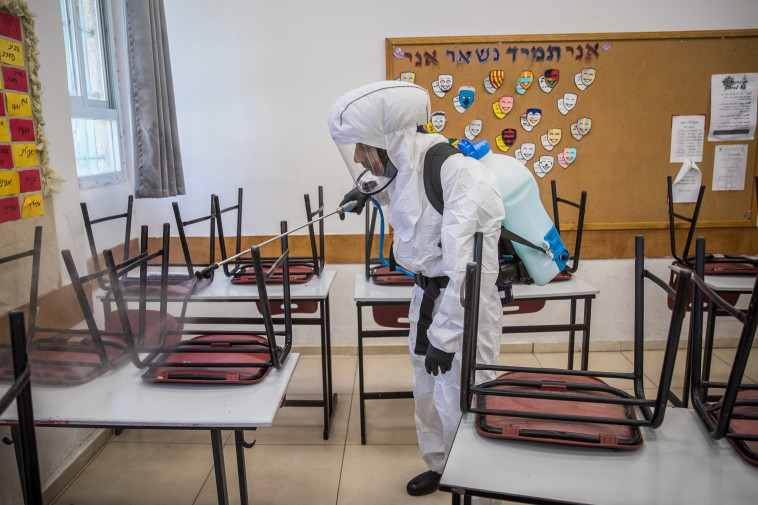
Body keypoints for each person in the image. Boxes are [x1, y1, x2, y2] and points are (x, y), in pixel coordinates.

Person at [328, 81, 504, 497]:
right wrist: (366, 193)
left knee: (462, 396)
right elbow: (403, 199)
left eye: (363, 146)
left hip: (463, 306)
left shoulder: (459, 174)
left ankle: (474, 482)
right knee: (428, 391)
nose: (357, 157)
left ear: (390, 140)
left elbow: (473, 272)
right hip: (427, 296)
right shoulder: (407, 166)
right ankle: (442, 466)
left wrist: (446, 335)